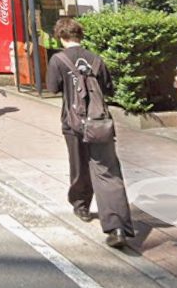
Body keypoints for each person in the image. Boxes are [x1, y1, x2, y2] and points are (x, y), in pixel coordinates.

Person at [46, 17, 134, 249]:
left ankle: (81, 205)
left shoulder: (58, 60)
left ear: (61, 37)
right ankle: (117, 227)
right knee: (107, 171)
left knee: (79, 164)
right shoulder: (96, 59)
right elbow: (108, 88)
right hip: (99, 122)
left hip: (73, 121)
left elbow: (52, 88)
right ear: (80, 35)